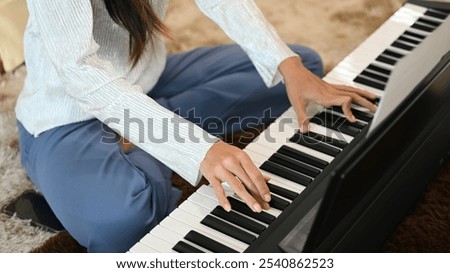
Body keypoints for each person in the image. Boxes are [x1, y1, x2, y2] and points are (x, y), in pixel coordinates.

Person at [15, 0, 377, 252]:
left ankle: (145, 131)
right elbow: (80, 71)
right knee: (123, 223)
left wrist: (288, 65)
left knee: (301, 69)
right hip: (67, 116)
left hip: (150, 82)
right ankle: (148, 136)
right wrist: (197, 148)